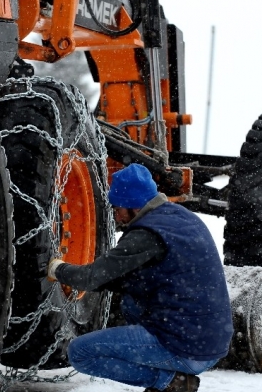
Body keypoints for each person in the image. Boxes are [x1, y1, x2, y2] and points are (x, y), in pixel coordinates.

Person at [47, 163, 233, 392]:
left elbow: (89, 278)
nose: (115, 214)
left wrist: (57, 269)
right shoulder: (179, 217)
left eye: (117, 208)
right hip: (210, 341)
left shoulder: (145, 236)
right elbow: (128, 279)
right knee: (131, 302)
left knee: (80, 353)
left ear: (134, 206)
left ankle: (171, 382)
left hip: (188, 348)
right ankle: (167, 375)